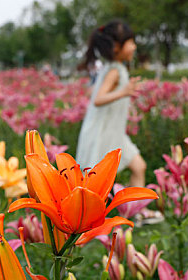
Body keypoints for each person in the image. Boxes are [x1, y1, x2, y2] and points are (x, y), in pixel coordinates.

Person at [76, 20, 146, 187]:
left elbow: (98, 92)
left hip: (114, 133)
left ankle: (134, 208)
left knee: (139, 167)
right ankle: (133, 209)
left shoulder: (113, 68)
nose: (134, 47)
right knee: (94, 182)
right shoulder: (114, 71)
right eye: (131, 43)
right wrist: (124, 92)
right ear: (116, 46)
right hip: (104, 134)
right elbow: (98, 100)